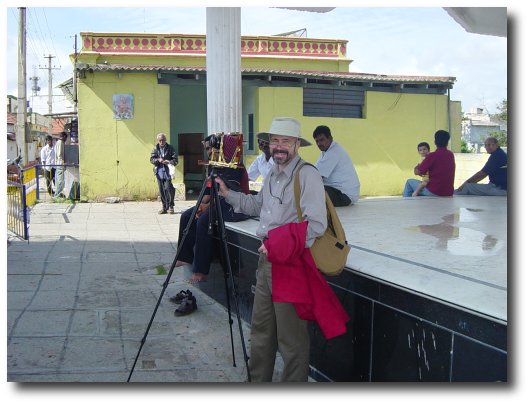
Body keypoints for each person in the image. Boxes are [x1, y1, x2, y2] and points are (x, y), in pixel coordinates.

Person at [215, 117, 328, 382]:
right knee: (262, 330)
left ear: (297, 145)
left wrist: (278, 245)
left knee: (291, 339)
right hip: (266, 263)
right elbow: (256, 207)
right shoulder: (272, 174)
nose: (278, 146)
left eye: (285, 141)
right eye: (275, 141)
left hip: (291, 264)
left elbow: (317, 225)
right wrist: (226, 193)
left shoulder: (307, 174)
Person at [173, 135, 250, 284]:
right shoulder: (214, 164)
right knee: (187, 216)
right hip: (218, 202)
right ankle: (184, 257)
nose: (208, 151)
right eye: (207, 148)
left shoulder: (234, 166)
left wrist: (206, 208)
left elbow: (227, 193)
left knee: (203, 222)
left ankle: (200, 270)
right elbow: (209, 190)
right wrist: (200, 206)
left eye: (211, 148)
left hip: (235, 204)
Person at [313, 125, 360, 206]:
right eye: (317, 141)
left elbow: (317, 176)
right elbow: (314, 172)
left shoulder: (334, 152)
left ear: (330, 138)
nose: (319, 143)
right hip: (338, 192)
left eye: (322, 140)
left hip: (344, 195)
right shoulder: (325, 152)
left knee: (311, 190)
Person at [411, 130, 455, 197]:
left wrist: (417, 166)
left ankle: (406, 205)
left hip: (434, 191)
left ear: (435, 142)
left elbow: (418, 172)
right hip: (448, 192)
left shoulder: (432, 155)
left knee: (409, 182)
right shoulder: (450, 154)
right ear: (447, 142)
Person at [150, 133, 178, 214]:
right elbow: (151, 159)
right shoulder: (155, 148)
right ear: (158, 141)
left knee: (168, 188)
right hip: (159, 172)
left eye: (163, 140)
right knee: (161, 190)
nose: (161, 142)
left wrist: (168, 161)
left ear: (165, 140)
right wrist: (158, 160)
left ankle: (171, 206)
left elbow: (175, 160)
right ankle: (164, 207)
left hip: (167, 171)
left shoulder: (170, 148)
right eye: (160, 140)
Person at [54, 132, 68, 199]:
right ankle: (57, 195)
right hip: (60, 164)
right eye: (66, 138)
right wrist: (63, 162)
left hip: (59, 164)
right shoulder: (60, 143)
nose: (66, 139)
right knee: (60, 181)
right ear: (64, 137)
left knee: (59, 181)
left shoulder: (59, 142)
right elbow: (59, 154)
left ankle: (58, 194)